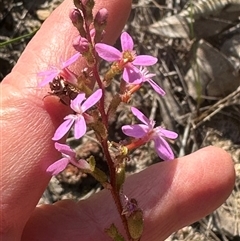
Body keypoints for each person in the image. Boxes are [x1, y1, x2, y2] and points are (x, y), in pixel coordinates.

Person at [0, 0, 235, 240]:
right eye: (124, 57)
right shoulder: (87, 93)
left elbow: (102, 93)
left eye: (127, 57)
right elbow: (96, 98)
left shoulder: (110, 80)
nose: (127, 58)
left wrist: (120, 83)